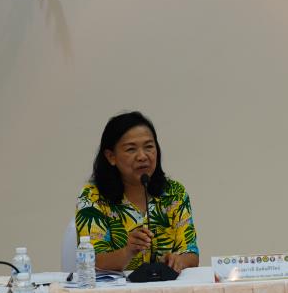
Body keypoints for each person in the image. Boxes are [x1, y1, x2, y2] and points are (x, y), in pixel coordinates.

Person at [75, 111, 199, 273]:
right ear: (111, 156)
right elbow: (92, 260)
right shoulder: (92, 197)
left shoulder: (174, 193)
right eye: (131, 149)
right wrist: (127, 252)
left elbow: (191, 254)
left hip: (165, 286)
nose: (142, 156)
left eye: (149, 147)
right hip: (116, 288)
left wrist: (179, 260)